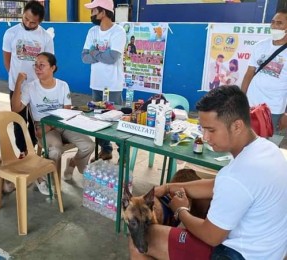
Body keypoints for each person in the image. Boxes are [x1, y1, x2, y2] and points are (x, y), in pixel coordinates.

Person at [129, 85, 287, 259]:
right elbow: (217, 184)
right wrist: (169, 187)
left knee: (141, 241)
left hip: (235, 254)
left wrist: (181, 210)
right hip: (270, 251)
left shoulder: (237, 176)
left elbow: (211, 236)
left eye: (211, 130)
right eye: (203, 129)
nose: (205, 137)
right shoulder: (268, 149)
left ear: (237, 126)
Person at [11, 52, 94, 195]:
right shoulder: (30, 87)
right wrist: (18, 83)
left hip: (62, 124)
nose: (37, 68)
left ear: (53, 68)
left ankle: (73, 163)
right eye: (35, 65)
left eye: (42, 65)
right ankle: (43, 177)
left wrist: (52, 124)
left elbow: (66, 110)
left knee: (89, 145)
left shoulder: (62, 86)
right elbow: (16, 108)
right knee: (55, 149)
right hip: (44, 129)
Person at [2, 0, 53, 161]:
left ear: (40, 22)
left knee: (35, 119)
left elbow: (48, 62)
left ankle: (32, 149)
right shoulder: (11, 33)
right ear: (23, 14)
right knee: (18, 120)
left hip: (36, 86)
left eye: (33, 22)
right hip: (17, 86)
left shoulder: (45, 37)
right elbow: (7, 60)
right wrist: (15, 79)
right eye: (25, 19)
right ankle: (23, 151)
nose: (28, 23)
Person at [82, 0, 126, 161]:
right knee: (97, 119)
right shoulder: (92, 31)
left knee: (115, 119)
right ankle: (106, 150)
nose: (91, 14)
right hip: (96, 84)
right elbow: (84, 57)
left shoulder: (118, 32)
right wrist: (100, 55)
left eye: (94, 10)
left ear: (103, 12)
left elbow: (112, 57)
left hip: (113, 85)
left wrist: (94, 53)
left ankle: (123, 153)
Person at [241, 8, 287, 134]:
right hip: (251, 104)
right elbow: (249, 73)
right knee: (246, 142)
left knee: (269, 147)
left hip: (274, 109)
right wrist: (240, 98)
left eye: (279, 23)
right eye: (273, 22)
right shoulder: (261, 45)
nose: (274, 26)